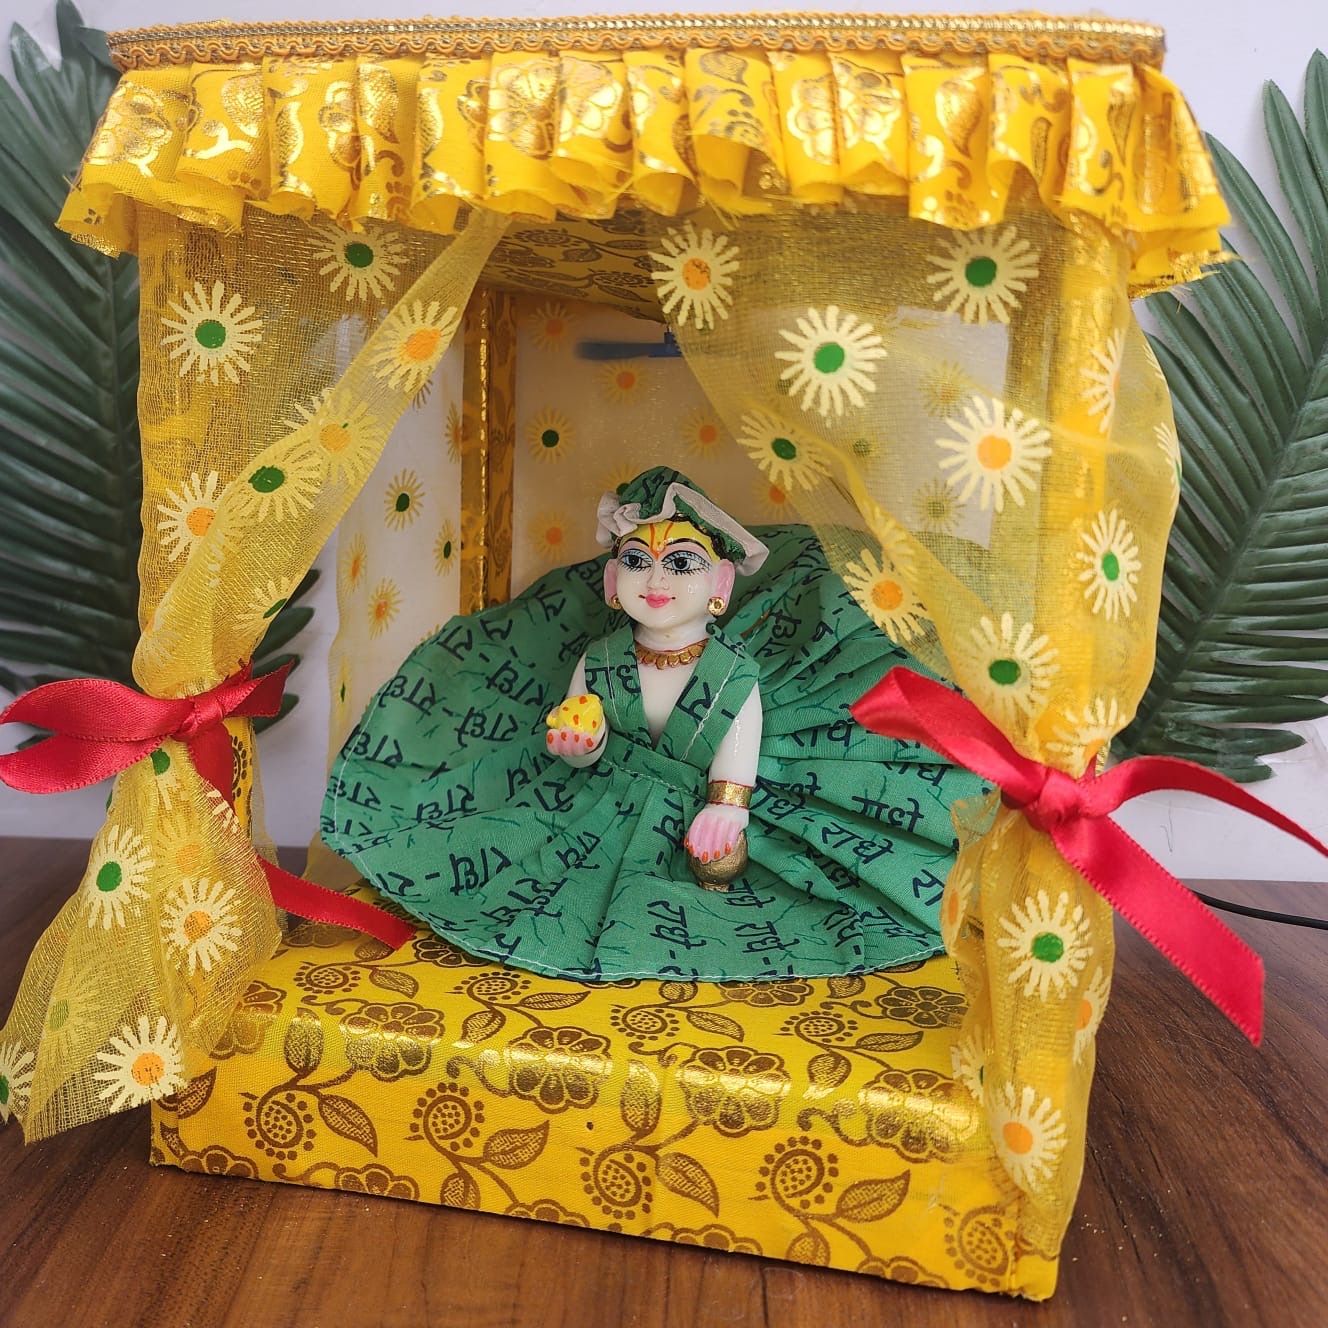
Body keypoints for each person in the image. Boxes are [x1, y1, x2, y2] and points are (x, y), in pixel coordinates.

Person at [324, 467, 987, 982]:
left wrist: (728, 807)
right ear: (612, 581)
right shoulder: (600, 658)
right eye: (637, 562)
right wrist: (578, 746)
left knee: (721, 871)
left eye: (681, 563)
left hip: (706, 806)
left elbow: (738, 745)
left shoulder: (732, 669)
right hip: (607, 799)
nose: (656, 580)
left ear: (720, 586)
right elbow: (583, 733)